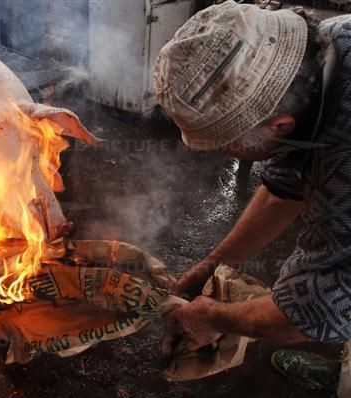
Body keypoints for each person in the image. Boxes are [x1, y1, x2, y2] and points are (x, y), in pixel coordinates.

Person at [153, 1, 351, 396]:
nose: (224, 152)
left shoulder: (342, 172)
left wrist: (217, 318)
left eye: (227, 143)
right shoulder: (330, 47)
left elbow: (317, 307)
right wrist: (215, 261)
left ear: (280, 125)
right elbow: (284, 188)